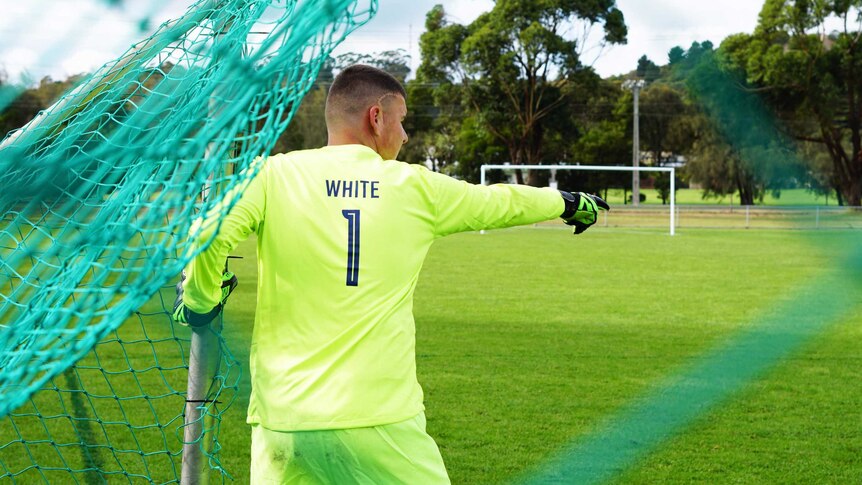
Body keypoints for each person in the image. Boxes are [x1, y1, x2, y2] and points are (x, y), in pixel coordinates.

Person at [173, 64, 608, 484]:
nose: (404, 135)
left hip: (284, 424)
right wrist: (566, 203)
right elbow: (499, 202)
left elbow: (207, 235)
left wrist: (200, 302)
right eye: (401, 122)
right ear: (375, 117)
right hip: (378, 421)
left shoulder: (273, 174)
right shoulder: (415, 187)